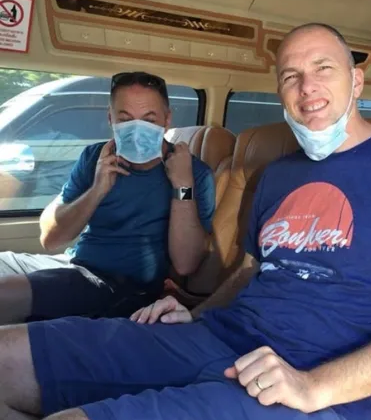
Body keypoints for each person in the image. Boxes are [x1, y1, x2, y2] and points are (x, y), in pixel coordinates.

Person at [0, 23, 371, 420]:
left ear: (356, 80)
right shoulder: (278, 175)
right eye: (290, 75)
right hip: (214, 339)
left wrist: (312, 386)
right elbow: (250, 271)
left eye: (323, 68)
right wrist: (197, 312)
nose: (307, 87)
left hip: (318, 396)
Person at [0, 71, 215, 323]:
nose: (137, 129)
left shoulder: (194, 173)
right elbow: (50, 238)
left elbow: (186, 264)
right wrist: (98, 188)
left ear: (167, 120)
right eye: (125, 119)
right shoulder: (95, 158)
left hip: (120, 287)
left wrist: (182, 185)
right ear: (111, 118)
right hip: (74, 264)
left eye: (149, 119)